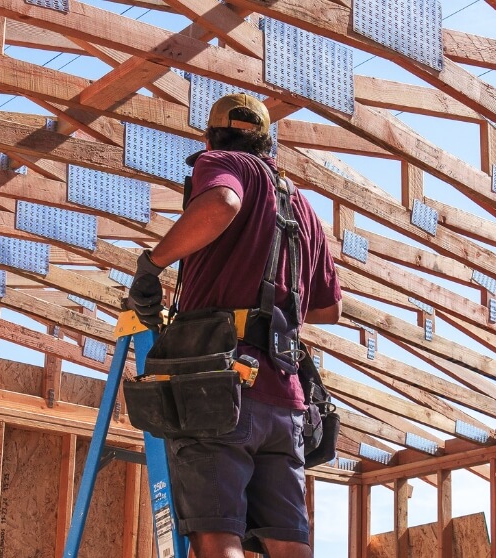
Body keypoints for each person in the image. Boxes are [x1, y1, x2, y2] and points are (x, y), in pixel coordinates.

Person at [126, 93, 342, 558]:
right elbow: (330, 309)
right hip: (285, 398)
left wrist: (152, 265)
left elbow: (222, 202)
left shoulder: (223, 162)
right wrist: (273, 303)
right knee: (289, 543)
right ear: (269, 145)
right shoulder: (304, 209)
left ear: (210, 139)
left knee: (216, 534)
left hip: (219, 385)